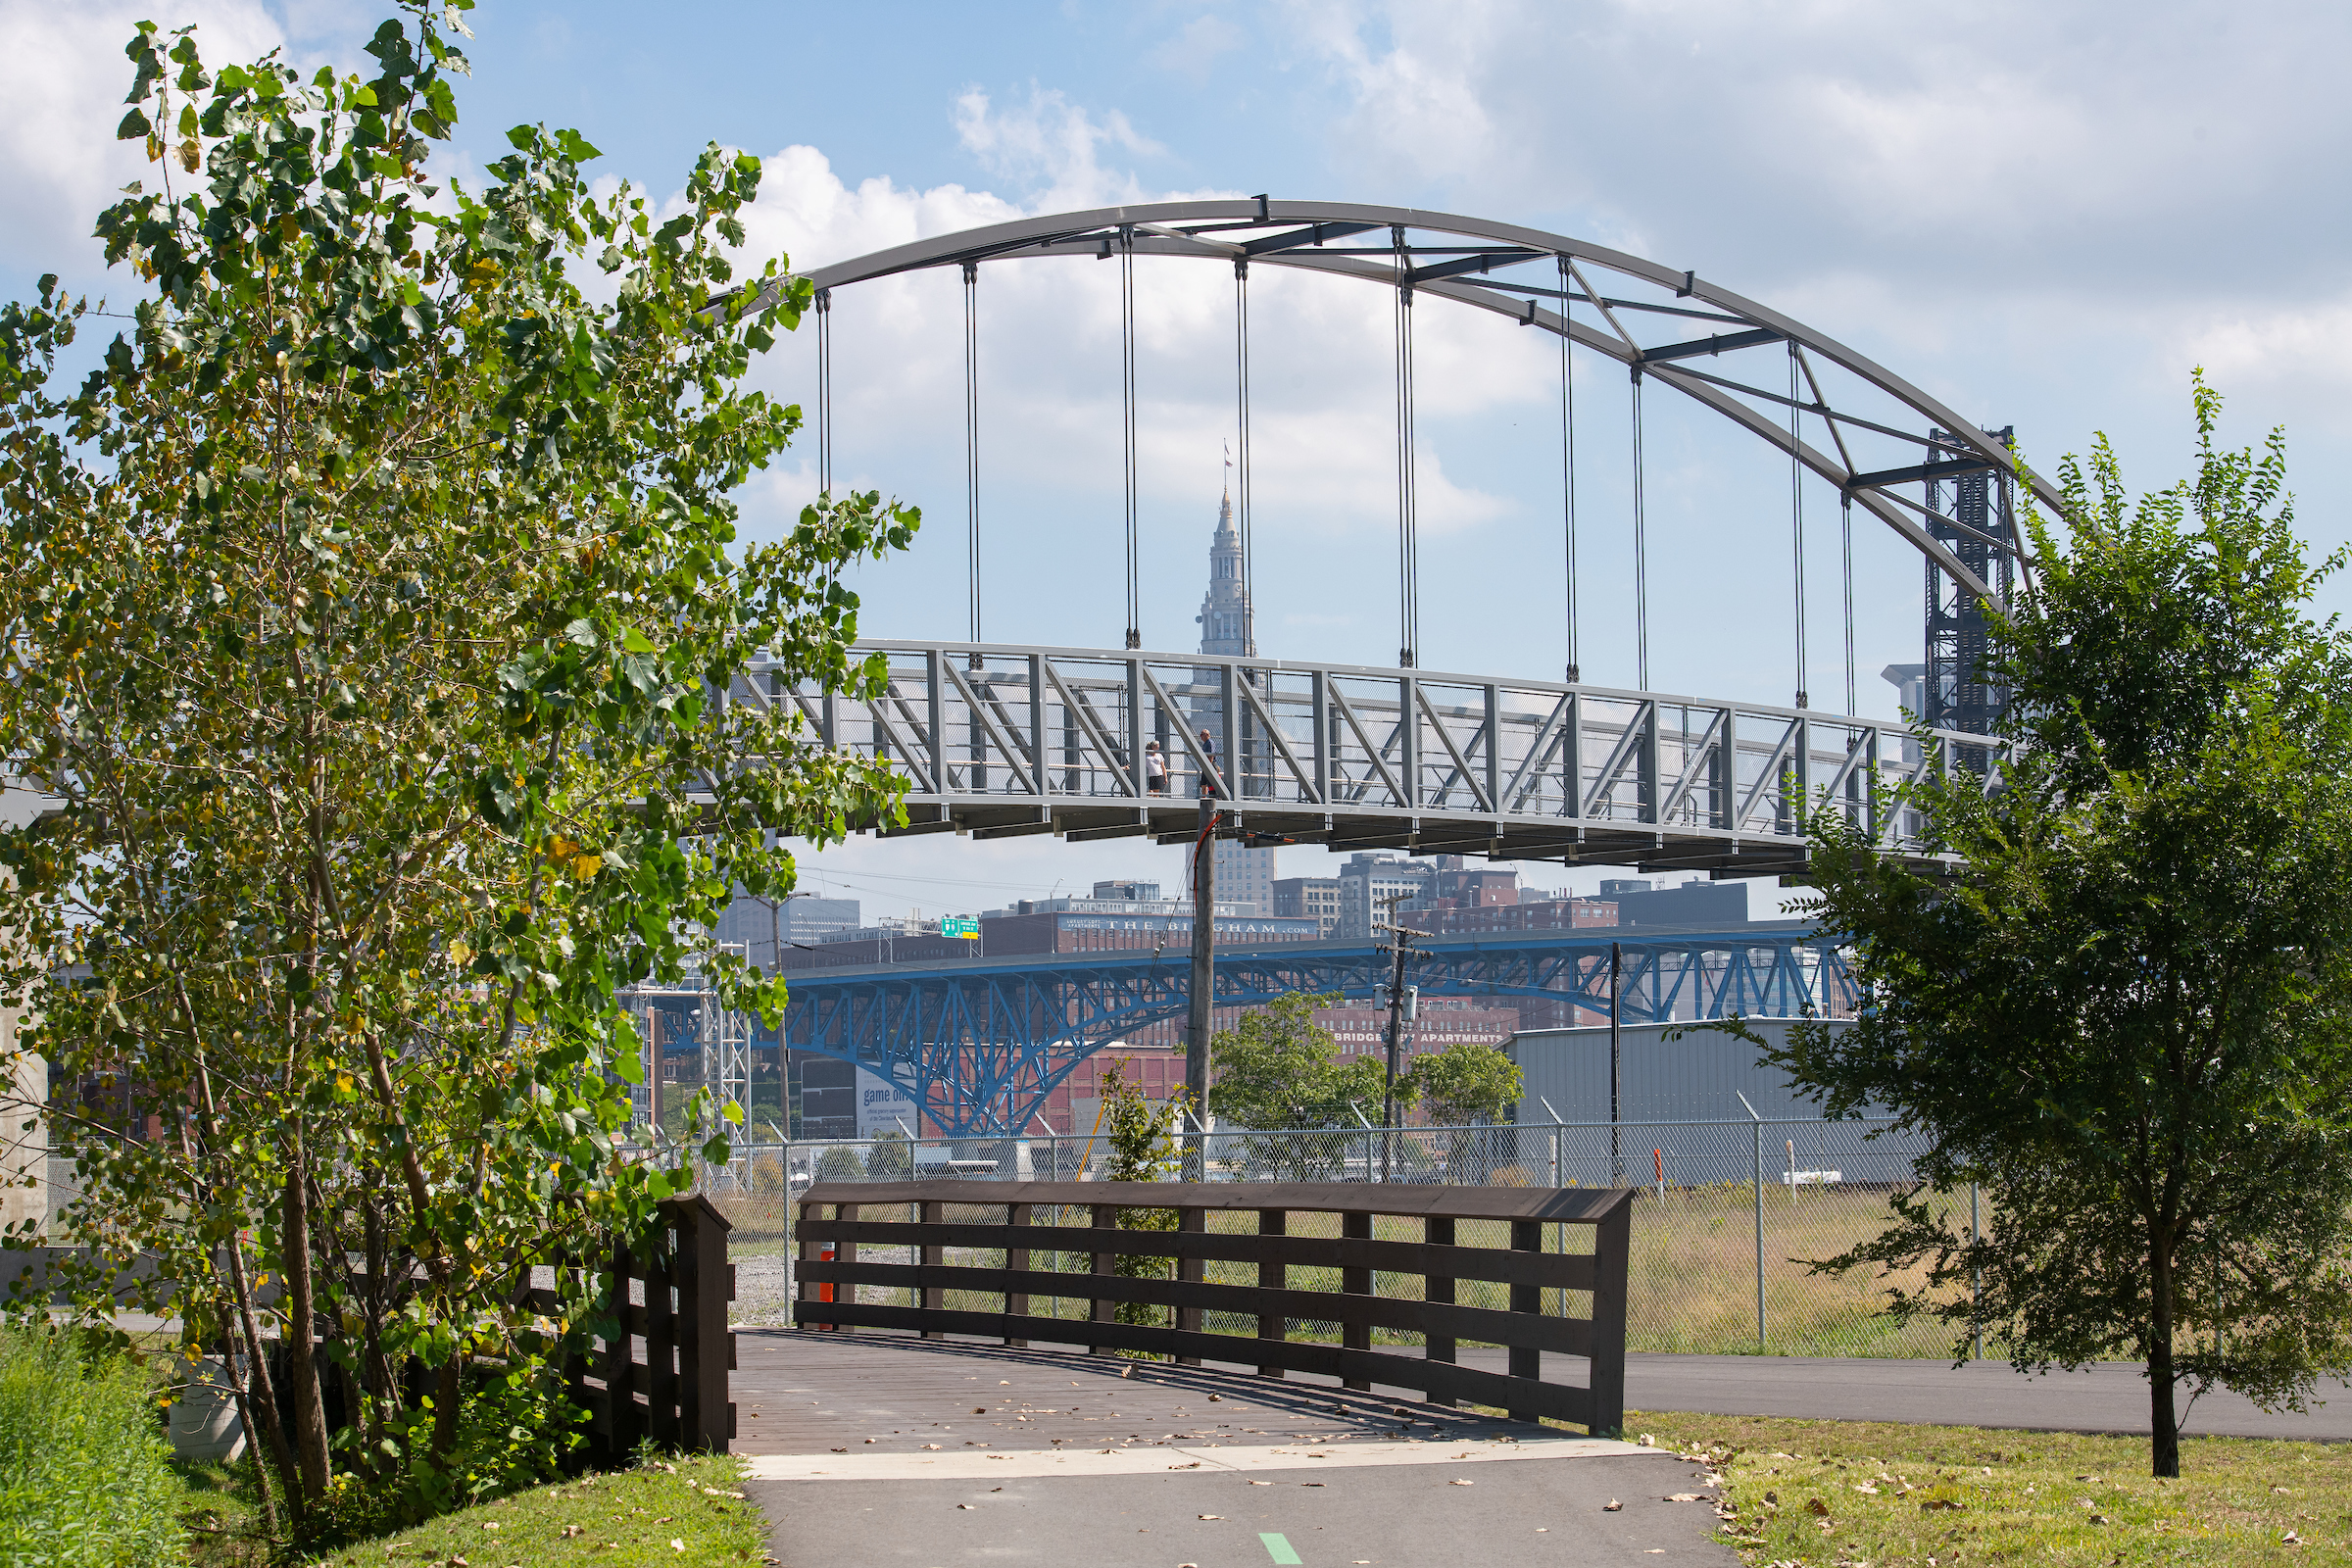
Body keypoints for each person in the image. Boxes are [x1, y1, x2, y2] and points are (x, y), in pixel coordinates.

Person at [1197, 726, 1220, 799]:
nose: (1201, 737)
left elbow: (1211, 755)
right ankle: (1204, 798)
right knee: (1203, 784)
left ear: (1207, 735)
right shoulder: (1205, 744)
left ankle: (1212, 798)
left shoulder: (1210, 743)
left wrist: (1208, 766)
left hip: (1210, 765)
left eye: (1202, 734)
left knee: (1211, 784)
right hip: (1206, 766)